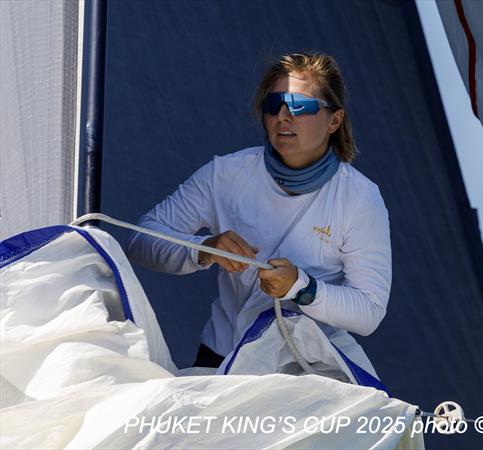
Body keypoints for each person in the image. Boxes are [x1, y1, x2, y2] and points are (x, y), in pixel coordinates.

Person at [125, 52, 391, 377]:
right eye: (273, 104)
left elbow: (369, 311)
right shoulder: (226, 174)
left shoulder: (359, 198)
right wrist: (204, 249)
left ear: (334, 121)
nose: (283, 116)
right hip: (223, 357)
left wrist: (302, 288)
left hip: (307, 369)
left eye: (299, 106)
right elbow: (140, 240)